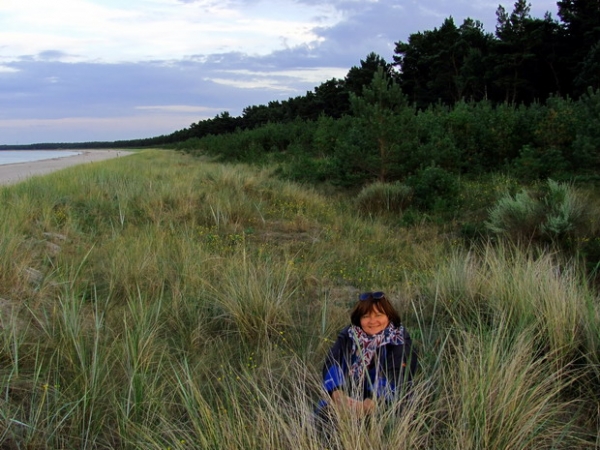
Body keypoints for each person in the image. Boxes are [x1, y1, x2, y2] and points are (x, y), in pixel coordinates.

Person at [315, 291, 417, 434]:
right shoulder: (349, 336)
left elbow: (397, 375)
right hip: (348, 395)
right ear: (359, 319)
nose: (372, 321)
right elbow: (332, 362)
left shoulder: (399, 340)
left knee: (380, 425)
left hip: (385, 401)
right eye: (366, 316)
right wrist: (339, 396)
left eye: (378, 315)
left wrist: (368, 406)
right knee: (323, 416)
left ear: (389, 316)